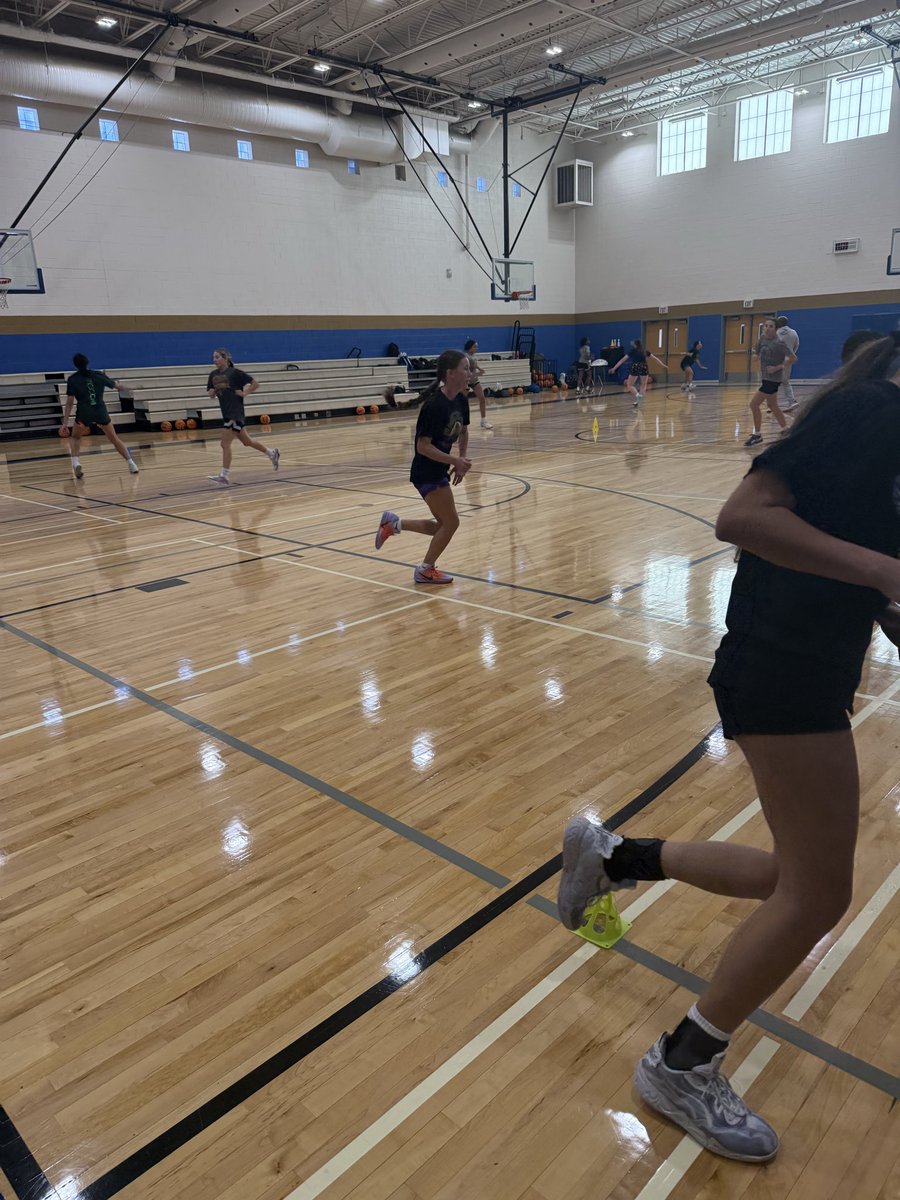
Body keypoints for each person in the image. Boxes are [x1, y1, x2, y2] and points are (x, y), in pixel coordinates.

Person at [556, 331, 900, 1164]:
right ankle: (682, 1063)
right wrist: (888, 571)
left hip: (808, 663)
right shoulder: (871, 410)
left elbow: (867, 572)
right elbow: (742, 518)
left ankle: (617, 857)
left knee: (797, 881)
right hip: (779, 663)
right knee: (818, 897)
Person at [373, 349, 471, 584]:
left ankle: (393, 523)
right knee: (452, 523)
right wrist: (454, 461)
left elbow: (464, 431)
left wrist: (462, 460)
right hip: (426, 471)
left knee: (442, 525)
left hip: (438, 470)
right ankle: (425, 569)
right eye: (465, 369)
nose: (470, 373)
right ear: (450, 374)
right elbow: (423, 447)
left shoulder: (461, 399)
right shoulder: (434, 406)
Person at [206, 348, 279, 485]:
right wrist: (213, 391)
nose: (214, 360)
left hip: (235, 412)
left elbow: (255, 384)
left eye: (217, 357)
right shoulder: (213, 375)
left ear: (225, 358)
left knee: (224, 444)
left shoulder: (235, 373)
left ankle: (224, 475)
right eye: (213, 357)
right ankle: (272, 453)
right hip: (226, 412)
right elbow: (211, 394)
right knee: (247, 442)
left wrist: (245, 393)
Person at [61, 353, 139, 479]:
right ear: (88, 362)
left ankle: (76, 463)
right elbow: (118, 387)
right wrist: (132, 387)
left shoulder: (73, 379)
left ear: (75, 365)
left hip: (84, 413)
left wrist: (65, 423)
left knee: (75, 437)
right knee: (114, 439)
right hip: (100, 412)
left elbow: (69, 402)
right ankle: (131, 464)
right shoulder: (98, 375)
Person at [744, 318, 796, 447]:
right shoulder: (762, 339)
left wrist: (778, 367)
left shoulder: (779, 343)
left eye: (771, 326)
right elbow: (757, 352)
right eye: (766, 326)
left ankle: (757, 435)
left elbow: (793, 358)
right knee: (772, 405)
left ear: (776, 329)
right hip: (765, 377)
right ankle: (785, 429)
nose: (767, 328)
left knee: (754, 405)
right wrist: (756, 356)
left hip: (773, 379)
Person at [611, 340, 667, 405]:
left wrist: (614, 368)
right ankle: (639, 401)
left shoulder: (632, 351)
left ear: (635, 345)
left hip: (635, 366)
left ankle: (637, 395)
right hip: (644, 366)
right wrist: (663, 365)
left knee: (629, 385)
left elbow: (622, 360)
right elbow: (655, 358)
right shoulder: (645, 351)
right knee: (643, 385)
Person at [463, 338, 492, 430]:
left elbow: (474, 364)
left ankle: (483, 420)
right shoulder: (464, 357)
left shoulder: (473, 356)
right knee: (463, 401)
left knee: (482, 398)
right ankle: (461, 421)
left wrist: (480, 369)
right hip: (465, 382)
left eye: (477, 346)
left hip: (474, 381)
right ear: (469, 347)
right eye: (475, 346)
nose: (476, 348)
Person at [774, 316, 800, 410]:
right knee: (785, 381)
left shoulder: (776, 333)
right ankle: (792, 401)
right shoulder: (793, 332)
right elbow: (797, 344)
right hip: (788, 359)